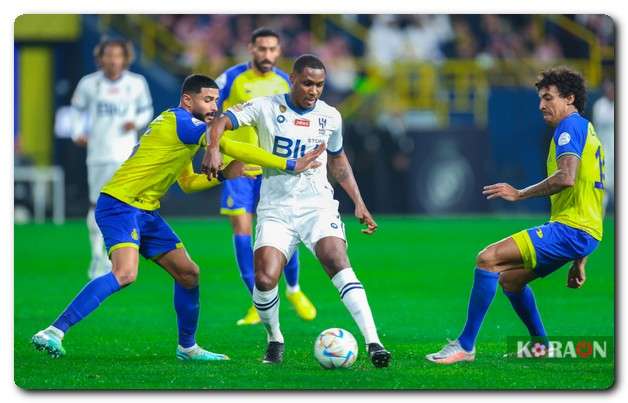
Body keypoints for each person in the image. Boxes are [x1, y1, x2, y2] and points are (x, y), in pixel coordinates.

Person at [31, 74, 323, 360]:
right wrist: (288, 162)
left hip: (145, 211)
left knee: (188, 274)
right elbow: (230, 145)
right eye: (207, 100)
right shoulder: (180, 121)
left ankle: (187, 348)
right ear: (187, 99)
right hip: (120, 205)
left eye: (216, 101)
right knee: (125, 273)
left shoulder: (186, 132)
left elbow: (188, 183)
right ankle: (54, 331)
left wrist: (222, 174)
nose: (213, 106)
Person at [202, 55, 392, 368]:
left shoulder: (331, 117)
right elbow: (222, 121)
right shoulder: (265, 106)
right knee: (264, 278)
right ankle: (275, 338)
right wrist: (212, 148)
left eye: (319, 84)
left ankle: (374, 341)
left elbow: (338, 159)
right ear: (292, 79)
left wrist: (358, 201)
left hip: (317, 205)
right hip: (276, 208)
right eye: (307, 83)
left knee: (337, 259)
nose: (313, 90)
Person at [426, 67, 605, 364]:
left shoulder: (569, 128)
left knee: (488, 258)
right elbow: (592, 193)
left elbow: (567, 178)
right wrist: (581, 258)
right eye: (539, 99)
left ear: (570, 98)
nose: (541, 105)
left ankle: (465, 346)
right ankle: (541, 346)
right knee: (510, 281)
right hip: (585, 232)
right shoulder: (587, 129)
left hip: (572, 230)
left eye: (548, 98)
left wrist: (519, 193)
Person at [215, 27, 316, 326]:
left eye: (273, 49)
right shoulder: (232, 78)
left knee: (283, 227)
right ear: (251, 48)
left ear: (279, 50)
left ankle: (294, 290)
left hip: (274, 166)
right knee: (243, 230)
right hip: (240, 167)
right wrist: (214, 147)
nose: (268, 55)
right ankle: (256, 303)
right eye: (262, 49)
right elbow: (209, 110)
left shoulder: (285, 81)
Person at [71, 38, 154, 279]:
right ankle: (97, 256)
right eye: (108, 55)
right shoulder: (89, 84)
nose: (113, 60)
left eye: (118, 55)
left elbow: (146, 110)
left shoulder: (137, 83)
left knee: (125, 204)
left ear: (125, 58)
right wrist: (78, 132)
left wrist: (136, 123)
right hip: (98, 154)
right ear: (100, 58)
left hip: (126, 154)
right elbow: (77, 111)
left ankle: (119, 256)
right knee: (96, 205)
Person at [592, 77, 614, 213]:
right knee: (604, 185)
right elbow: (602, 122)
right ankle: (601, 216)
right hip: (604, 151)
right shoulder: (600, 105)